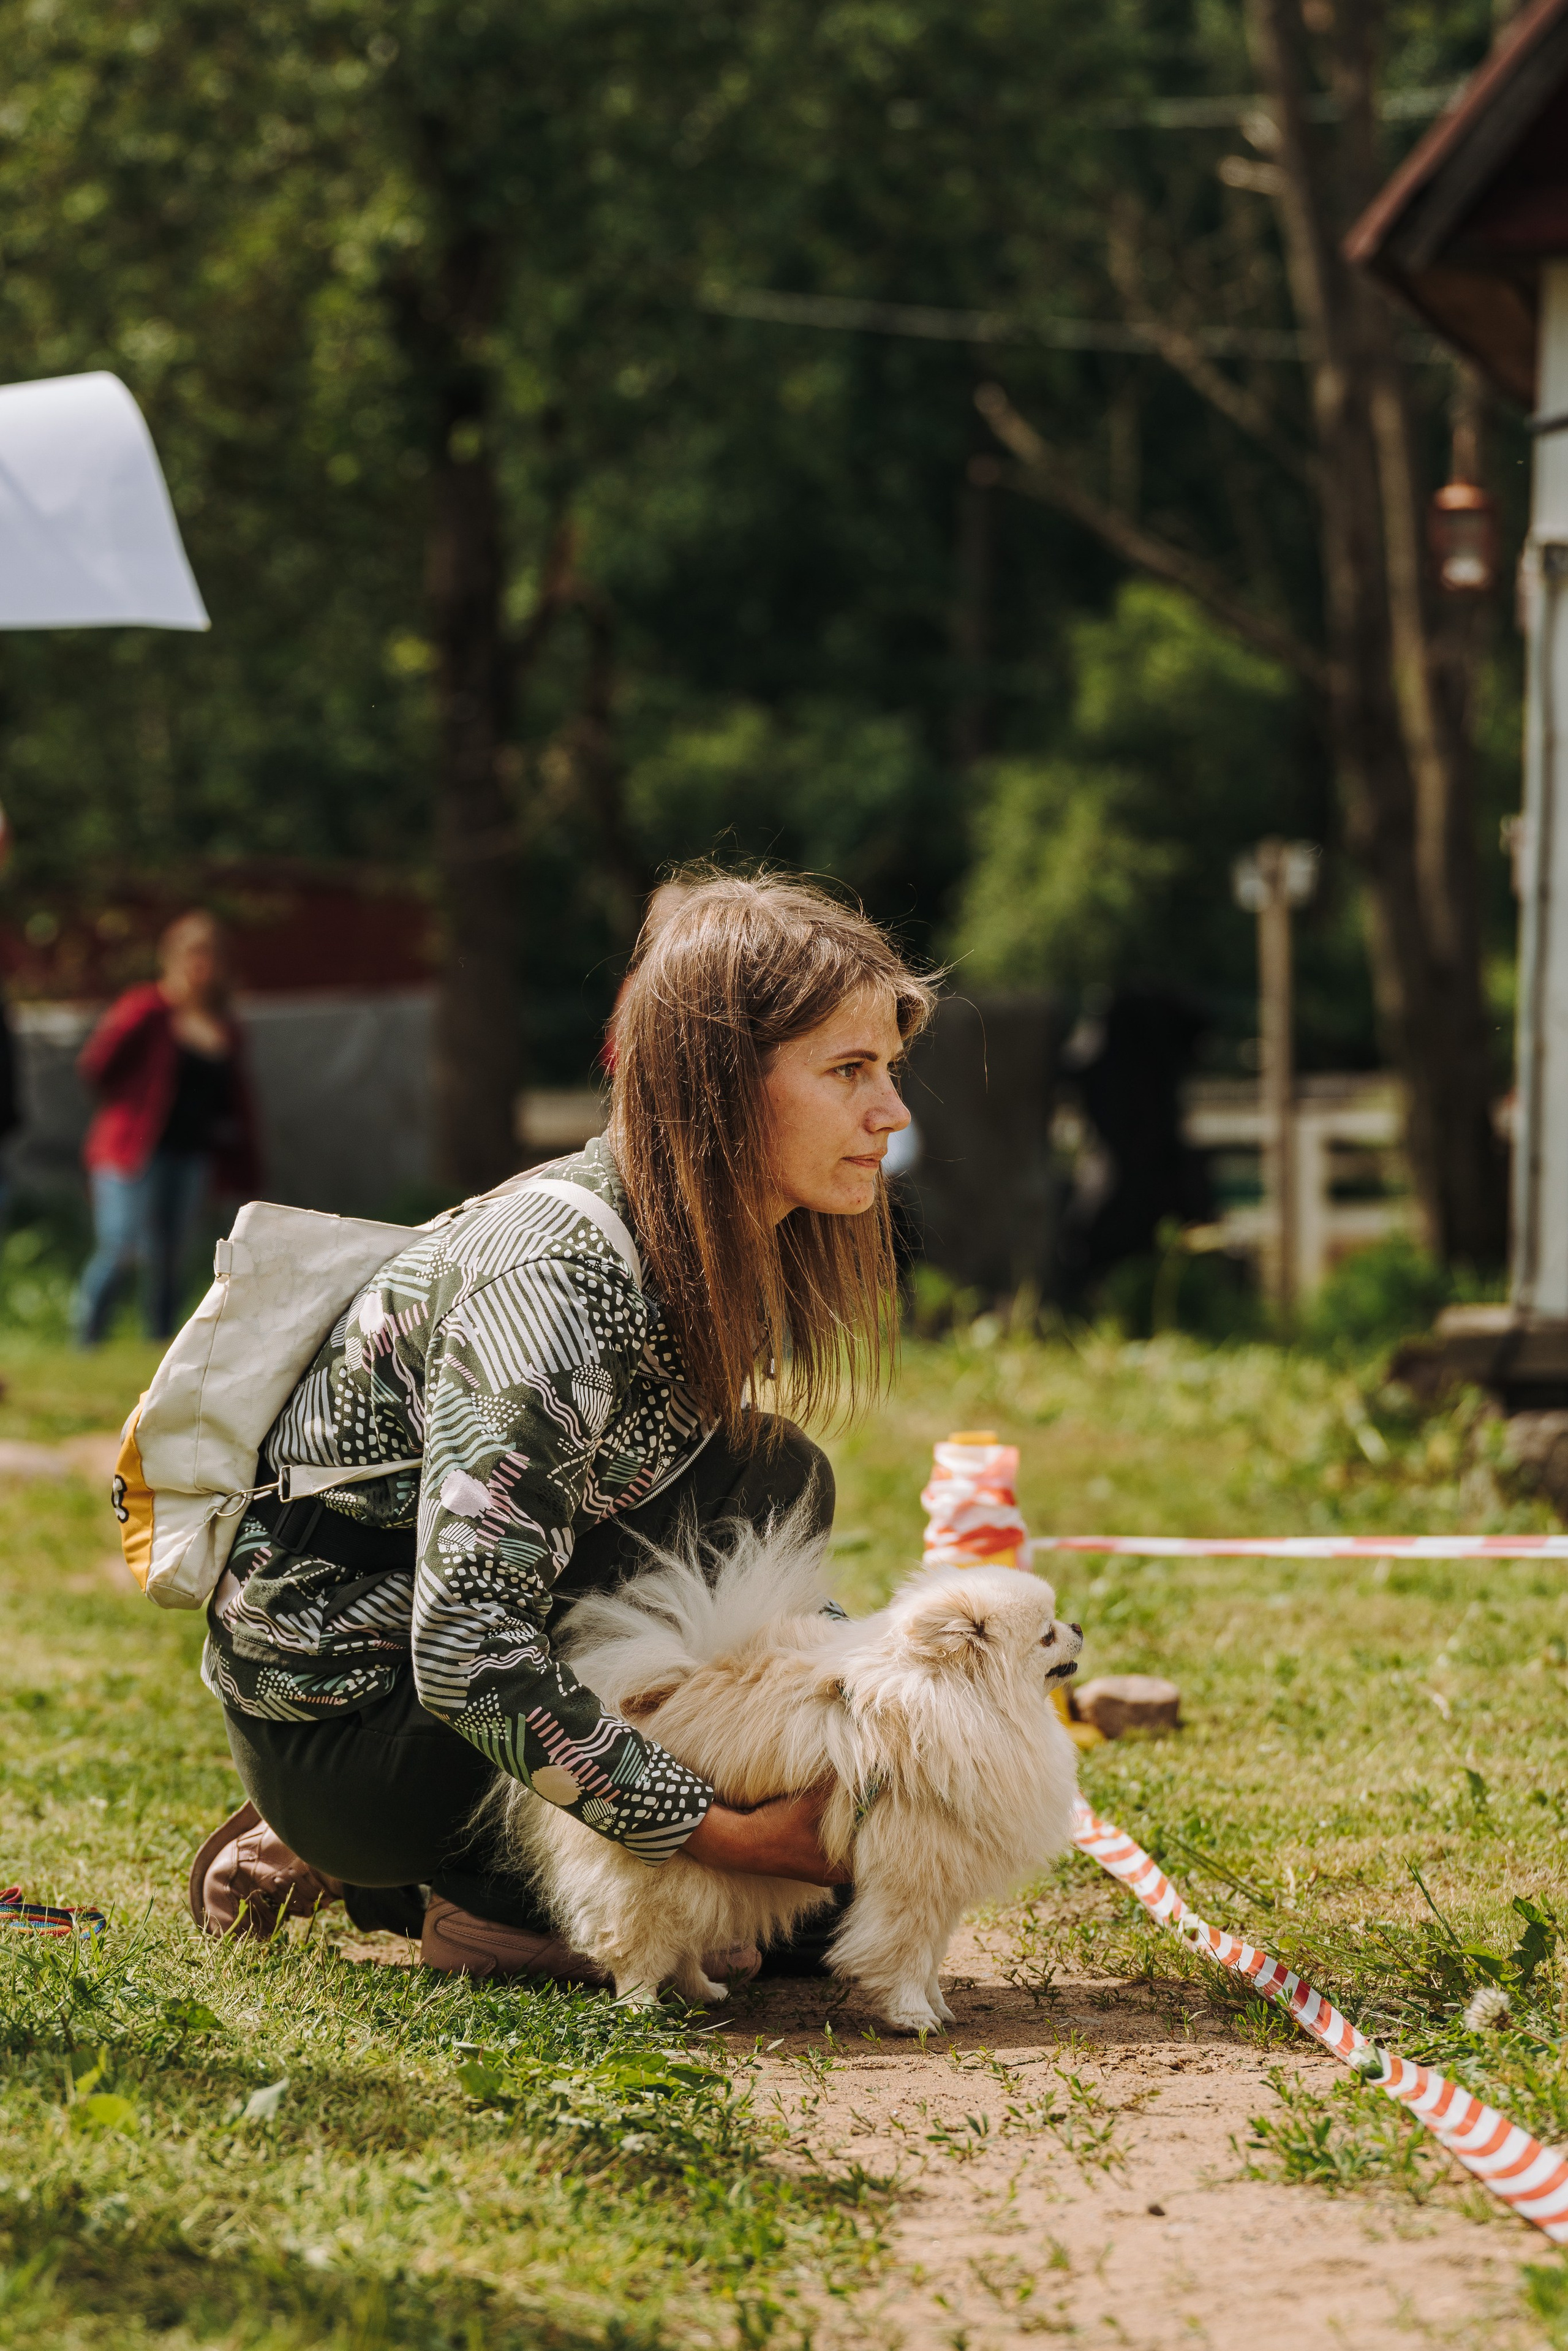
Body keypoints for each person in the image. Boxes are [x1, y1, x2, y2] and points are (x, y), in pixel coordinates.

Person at [188, 872, 933, 1979]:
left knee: (775, 1479)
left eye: (890, 1070)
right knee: (761, 1899)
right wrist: (724, 1833)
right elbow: (464, 1646)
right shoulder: (550, 1282)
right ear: (721, 1086)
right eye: (848, 1071)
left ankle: (518, 1880)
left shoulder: (701, 1244)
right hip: (366, 1731)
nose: (893, 1112)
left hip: (459, 1685)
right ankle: (386, 1864)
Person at [74, 910, 260, 1346]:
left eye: (210, 957)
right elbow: (97, 1065)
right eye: (194, 956)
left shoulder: (224, 1027)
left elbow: (235, 1105)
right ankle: (87, 1338)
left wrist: (242, 1165)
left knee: (172, 1256)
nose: (202, 967)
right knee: (122, 1248)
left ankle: (159, 1343)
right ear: (172, 959)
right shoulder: (147, 1009)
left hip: (191, 1154)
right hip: (131, 1151)